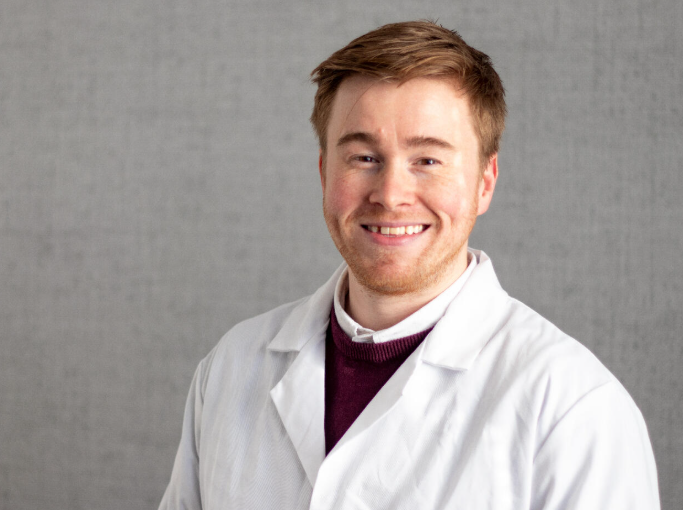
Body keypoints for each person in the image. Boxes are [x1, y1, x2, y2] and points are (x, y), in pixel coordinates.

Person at [159, 21, 659, 509]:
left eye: (428, 160)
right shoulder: (230, 368)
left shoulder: (574, 409)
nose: (391, 196)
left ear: (485, 182)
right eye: (363, 157)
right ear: (323, 170)